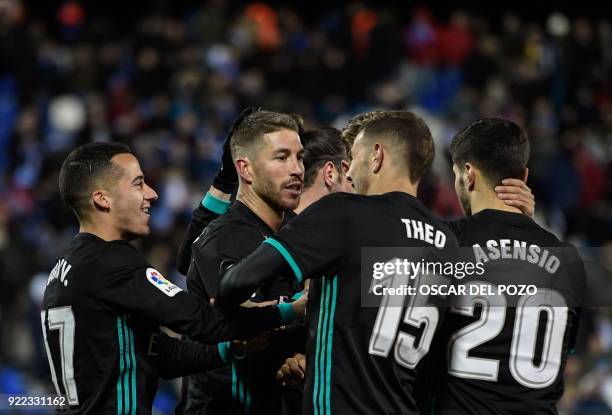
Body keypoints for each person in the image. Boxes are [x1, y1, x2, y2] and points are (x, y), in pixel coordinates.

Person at [216, 111, 459, 415]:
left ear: (376, 156)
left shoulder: (344, 213)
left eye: (353, 158)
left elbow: (234, 283)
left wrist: (266, 312)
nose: (349, 171)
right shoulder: (448, 241)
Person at [41, 142, 302, 414]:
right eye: (138, 184)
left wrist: (233, 348)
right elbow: (203, 320)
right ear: (102, 199)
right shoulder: (111, 261)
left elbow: (160, 355)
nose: (152, 194)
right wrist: (287, 310)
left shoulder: (63, 269)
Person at [434, 117, 586, 414]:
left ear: (468, 174)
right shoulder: (568, 259)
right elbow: (562, 350)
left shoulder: (447, 243)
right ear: (524, 176)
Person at [182, 110, 306, 415]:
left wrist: (302, 354)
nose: (297, 169)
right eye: (281, 157)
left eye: (299, 157)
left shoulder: (300, 230)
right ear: (246, 169)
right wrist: (302, 310)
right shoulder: (225, 238)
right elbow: (238, 321)